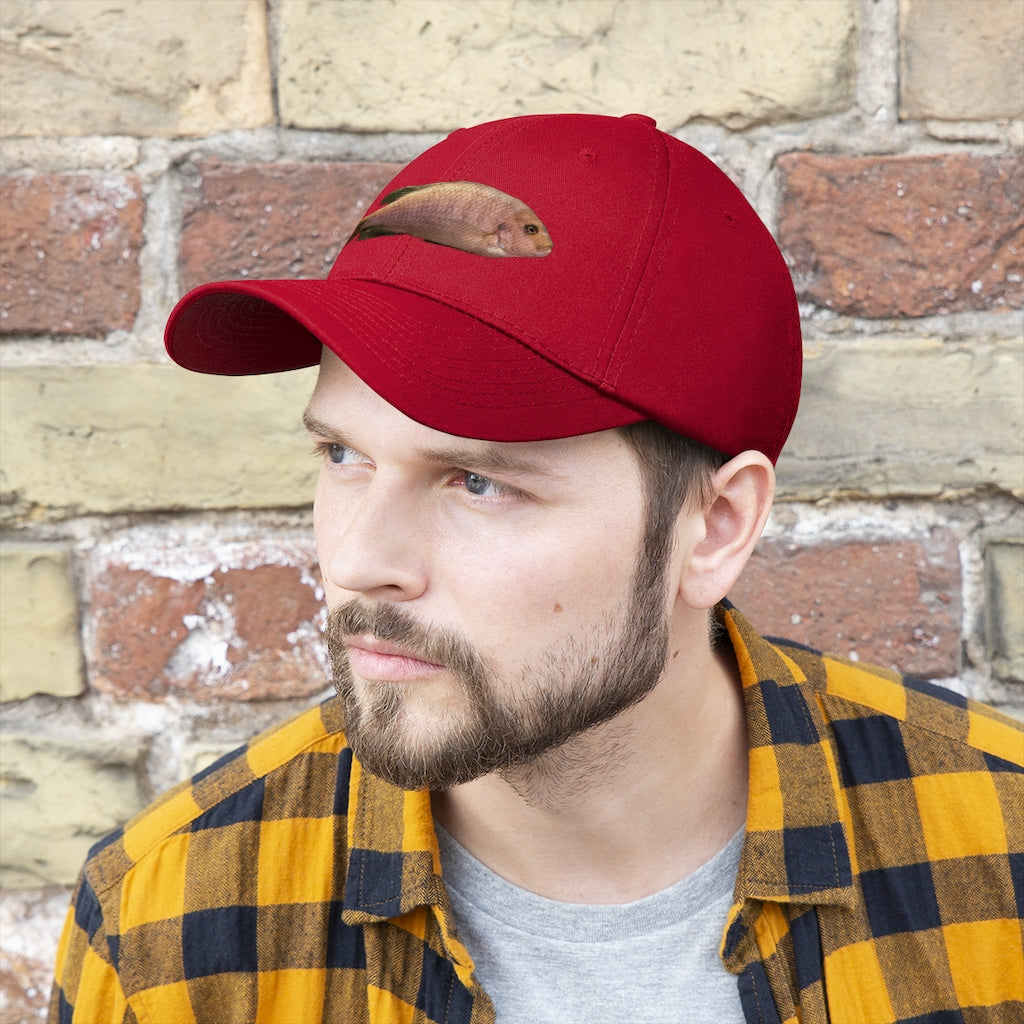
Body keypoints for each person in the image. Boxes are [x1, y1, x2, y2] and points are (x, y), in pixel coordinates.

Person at [51, 113, 1023, 1024]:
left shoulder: (998, 854)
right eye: (344, 457)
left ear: (715, 525)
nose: (358, 561)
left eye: (476, 481)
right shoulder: (167, 929)